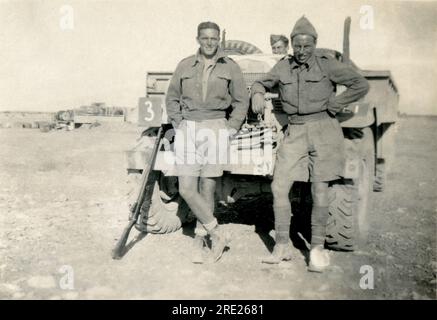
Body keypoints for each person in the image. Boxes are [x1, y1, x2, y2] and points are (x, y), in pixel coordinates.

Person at [251, 16, 369, 272]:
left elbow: (360, 84)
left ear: (314, 44)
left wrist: (337, 103)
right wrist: (258, 92)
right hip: (295, 131)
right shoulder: (283, 67)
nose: (302, 52)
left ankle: (316, 247)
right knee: (279, 185)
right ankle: (281, 245)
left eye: (307, 46)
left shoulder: (328, 65)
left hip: (324, 130)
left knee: (320, 188)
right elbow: (262, 81)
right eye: (298, 46)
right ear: (291, 45)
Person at [165, 21, 249, 263]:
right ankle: (217, 232)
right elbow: (171, 98)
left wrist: (231, 127)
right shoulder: (184, 65)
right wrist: (178, 124)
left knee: (208, 187)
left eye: (214, 38)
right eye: (205, 38)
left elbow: (241, 100)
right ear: (198, 39)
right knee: (187, 189)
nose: (210, 42)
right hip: (189, 127)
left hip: (216, 127)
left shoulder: (230, 67)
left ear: (218, 40)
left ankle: (201, 240)